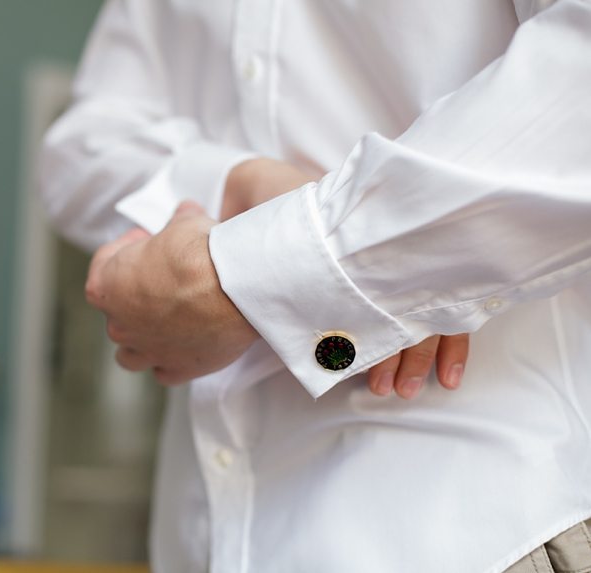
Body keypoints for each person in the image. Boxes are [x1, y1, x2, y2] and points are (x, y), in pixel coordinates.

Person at [39, 1, 591, 571]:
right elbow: (80, 146)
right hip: (201, 533)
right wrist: (243, 186)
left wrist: (274, 269)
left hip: (481, 527)